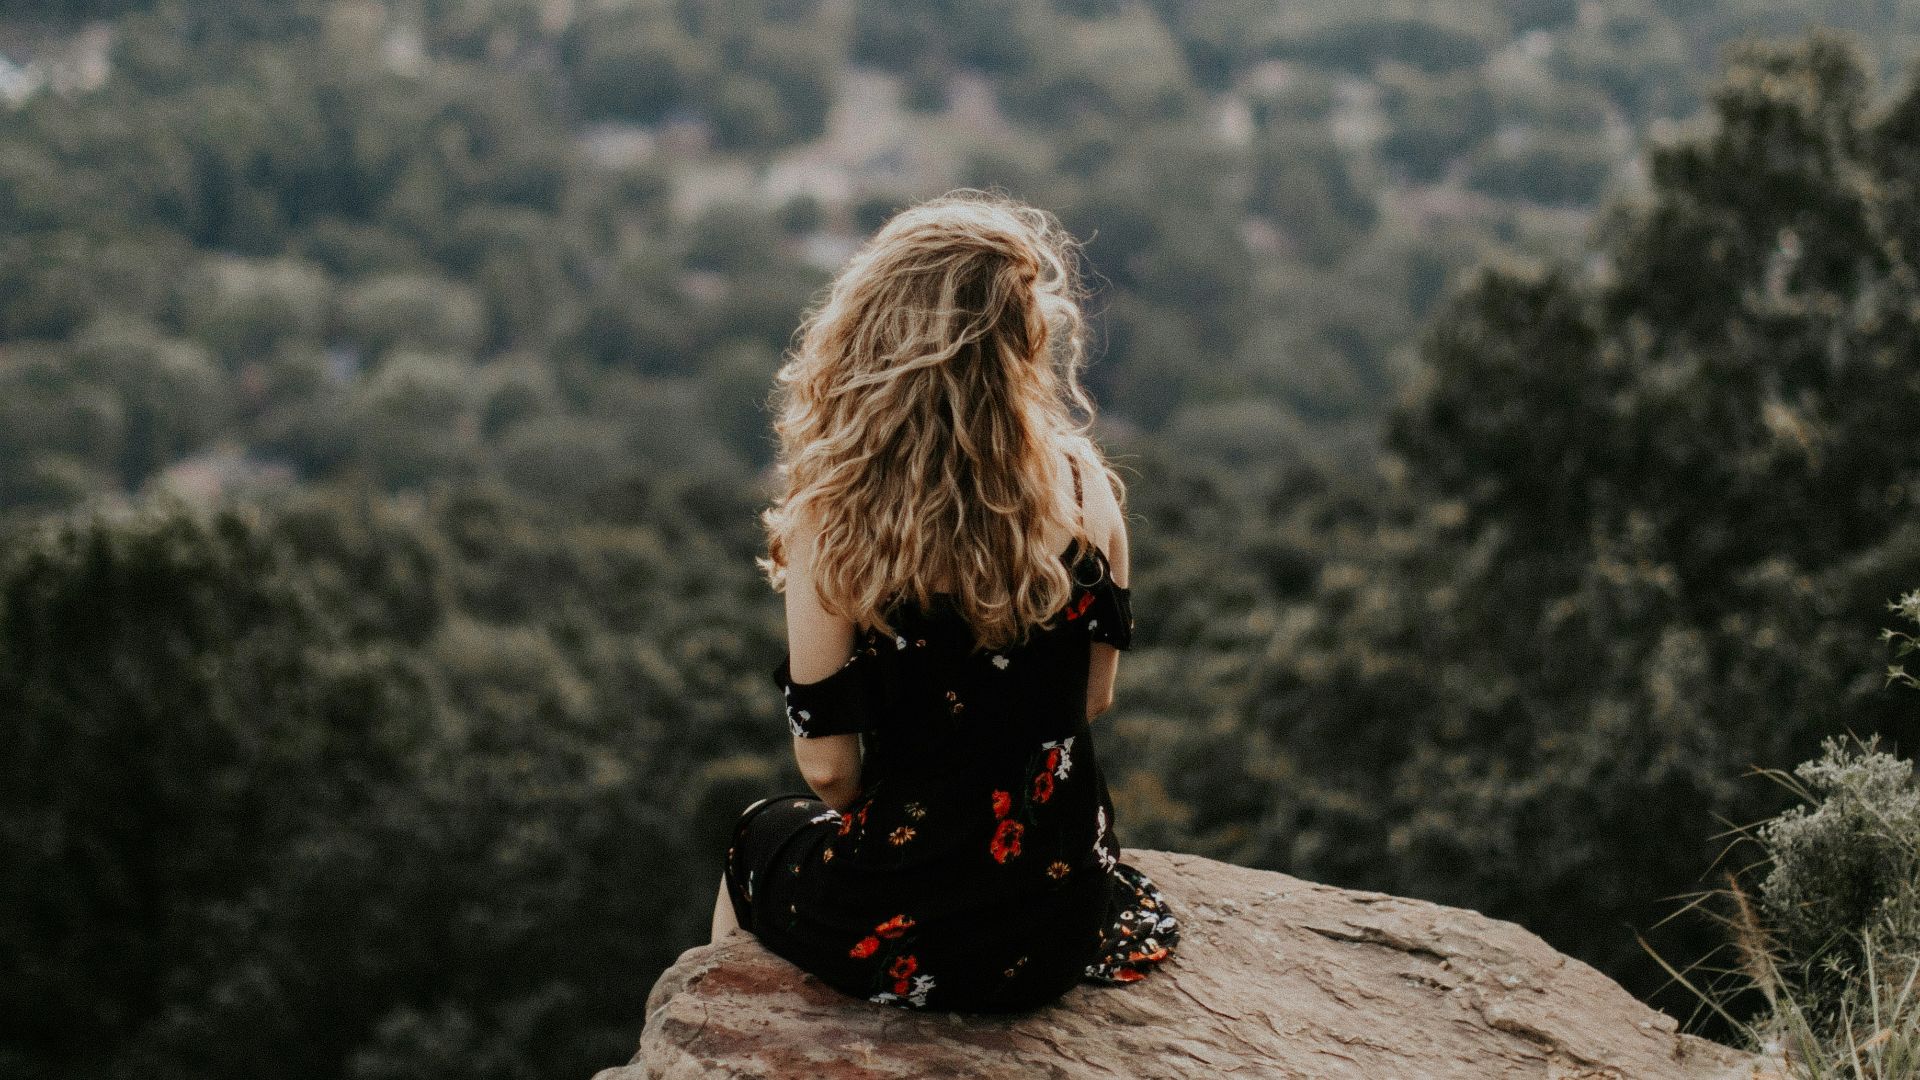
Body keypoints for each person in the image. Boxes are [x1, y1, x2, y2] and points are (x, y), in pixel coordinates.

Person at [711, 189, 1178, 1012]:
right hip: (1055, 920)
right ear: (1023, 340)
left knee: (753, 836)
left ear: (872, 336)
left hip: (907, 916)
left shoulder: (837, 515)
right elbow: (1093, 698)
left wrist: (916, 818)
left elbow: (828, 772)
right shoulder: (1084, 486)